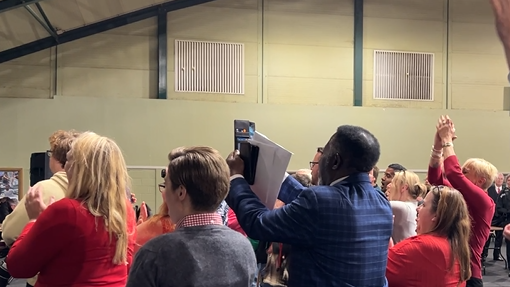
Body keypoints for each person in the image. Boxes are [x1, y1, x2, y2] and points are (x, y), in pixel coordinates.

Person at [226, 125, 393, 287]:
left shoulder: (320, 202)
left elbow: (258, 222)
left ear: (335, 161)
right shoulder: (381, 202)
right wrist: (274, 172)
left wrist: (236, 178)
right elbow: (316, 205)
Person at [6, 132, 136, 287]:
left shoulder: (67, 211)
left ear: (79, 168)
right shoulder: (125, 209)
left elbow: (18, 267)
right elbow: (126, 264)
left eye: (68, 160)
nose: (65, 166)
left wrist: (34, 220)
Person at [127, 146, 257, 287]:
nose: (164, 193)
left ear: (181, 192)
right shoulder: (244, 248)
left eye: (165, 185)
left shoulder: (154, 254)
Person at [427, 115, 496, 287]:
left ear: (480, 180)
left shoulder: (484, 202)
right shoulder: (460, 196)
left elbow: (452, 173)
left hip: (469, 275)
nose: (461, 174)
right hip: (450, 271)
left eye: (466, 171)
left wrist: (447, 140)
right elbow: (435, 178)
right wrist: (437, 146)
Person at [386, 186, 471, 287]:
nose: (418, 208)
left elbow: (376, 271)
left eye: (424, 205)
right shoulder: (456, 246)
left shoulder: (420, 246)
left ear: (436, 215)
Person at [386, 170, 427, 243]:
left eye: (392, 183)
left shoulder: (403, 208)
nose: (388, 186)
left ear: (403, 188)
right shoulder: (412, 205)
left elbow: (375, 204)